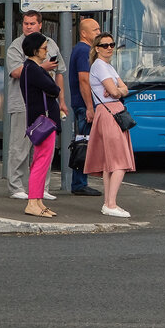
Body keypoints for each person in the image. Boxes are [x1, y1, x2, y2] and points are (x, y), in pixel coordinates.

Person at [5, 11, 66, 200]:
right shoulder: (16, 47)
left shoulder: (51, 44)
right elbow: (17, 72)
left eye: (32, 23)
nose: (28, 26)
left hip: (46, 104)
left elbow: (60, 72)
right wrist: (42, 68)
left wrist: (62, 101)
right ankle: (16, 187)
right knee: (19, 147)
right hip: (22, 102)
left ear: (40, 24)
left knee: (43, 147)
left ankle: (42, 187)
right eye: (25, 23)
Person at [83, 33, 136, 218]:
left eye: (112, 44)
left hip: (110, 113)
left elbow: (124, 89)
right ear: (97, 48)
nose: (109, 48)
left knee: (109, 162)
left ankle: (108, 202)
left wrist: (118, 91)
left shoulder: (107, 66)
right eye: (105, 45)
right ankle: (111, 203)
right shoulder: (100, 66)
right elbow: (116, 91)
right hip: (110, 113)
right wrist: (117, 91)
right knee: (121, 161)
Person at [20, 32, 62, 218]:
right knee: (41, 162)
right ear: (35, 50)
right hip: (43, 122)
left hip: (38, 121)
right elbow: (54, 89)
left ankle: (38, 201)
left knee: (40, 161)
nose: (46, 51)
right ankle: (32, 202)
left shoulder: (28, 68)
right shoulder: (34, 69)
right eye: (44, 48)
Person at [68, 17, 101, 196]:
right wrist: (90, 106)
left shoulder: (83, 49)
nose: (98, 32)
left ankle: (80, 182)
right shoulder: (83, 50)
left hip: (82, 103)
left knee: (84, 142)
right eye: (95, 30)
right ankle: (79, 184)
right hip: (83, 105)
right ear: (84, 33)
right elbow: (84, 79)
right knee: (83, 144)